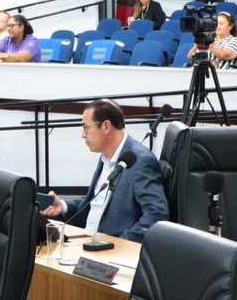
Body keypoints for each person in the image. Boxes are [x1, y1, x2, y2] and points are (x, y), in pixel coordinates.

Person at [39, 99, 168, 243]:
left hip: (112, 247)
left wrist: (123, 242)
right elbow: (97, 202)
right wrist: (63, 206)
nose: (82, 134)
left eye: (86, 127)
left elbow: (157, 214)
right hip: (88, 239)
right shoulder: (105, 157)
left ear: (106, 126)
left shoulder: (140, 160)